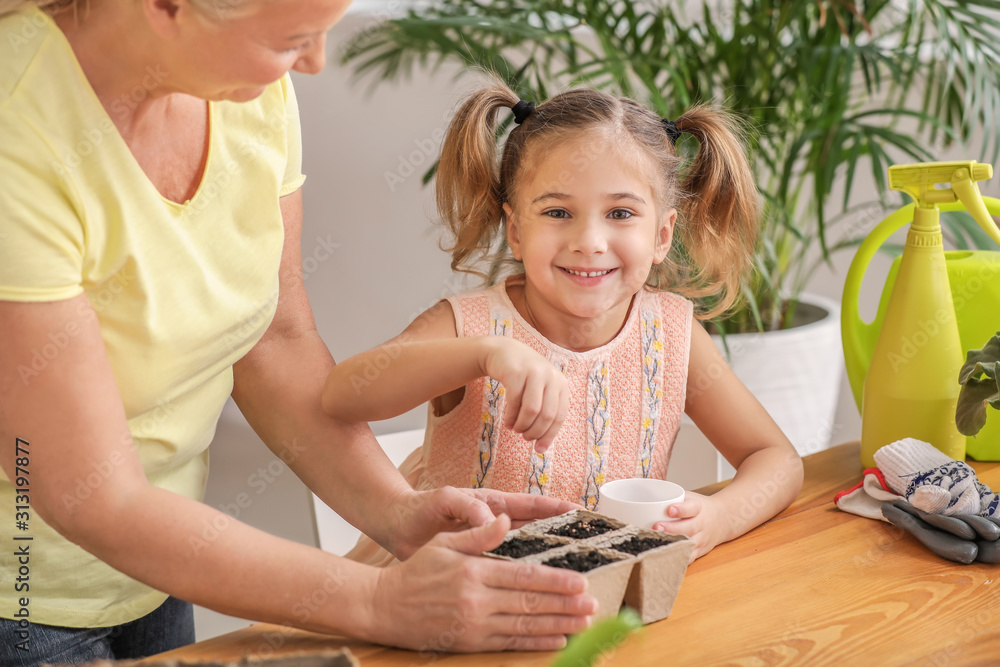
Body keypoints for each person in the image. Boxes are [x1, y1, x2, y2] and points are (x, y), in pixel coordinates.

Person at [0, 2, 599, 665]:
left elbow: (275, 342)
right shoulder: (16, 129)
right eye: (294, 39)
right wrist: (380, 601)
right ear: (167, 8)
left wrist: (398, 511)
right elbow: (95, 497)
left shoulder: (240, 89)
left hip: (158, 573)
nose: (316, 62)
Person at [323, 82, 805, 567]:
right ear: (515, 230)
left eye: (620, 213)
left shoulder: (671, 332)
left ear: (662, 235)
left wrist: (720, 516)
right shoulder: (468, 325)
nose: (589, 240)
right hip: (441, 593)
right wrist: (487, 354)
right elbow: (343, 395)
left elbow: (775, 458)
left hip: (591, 599)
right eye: (557, 212)